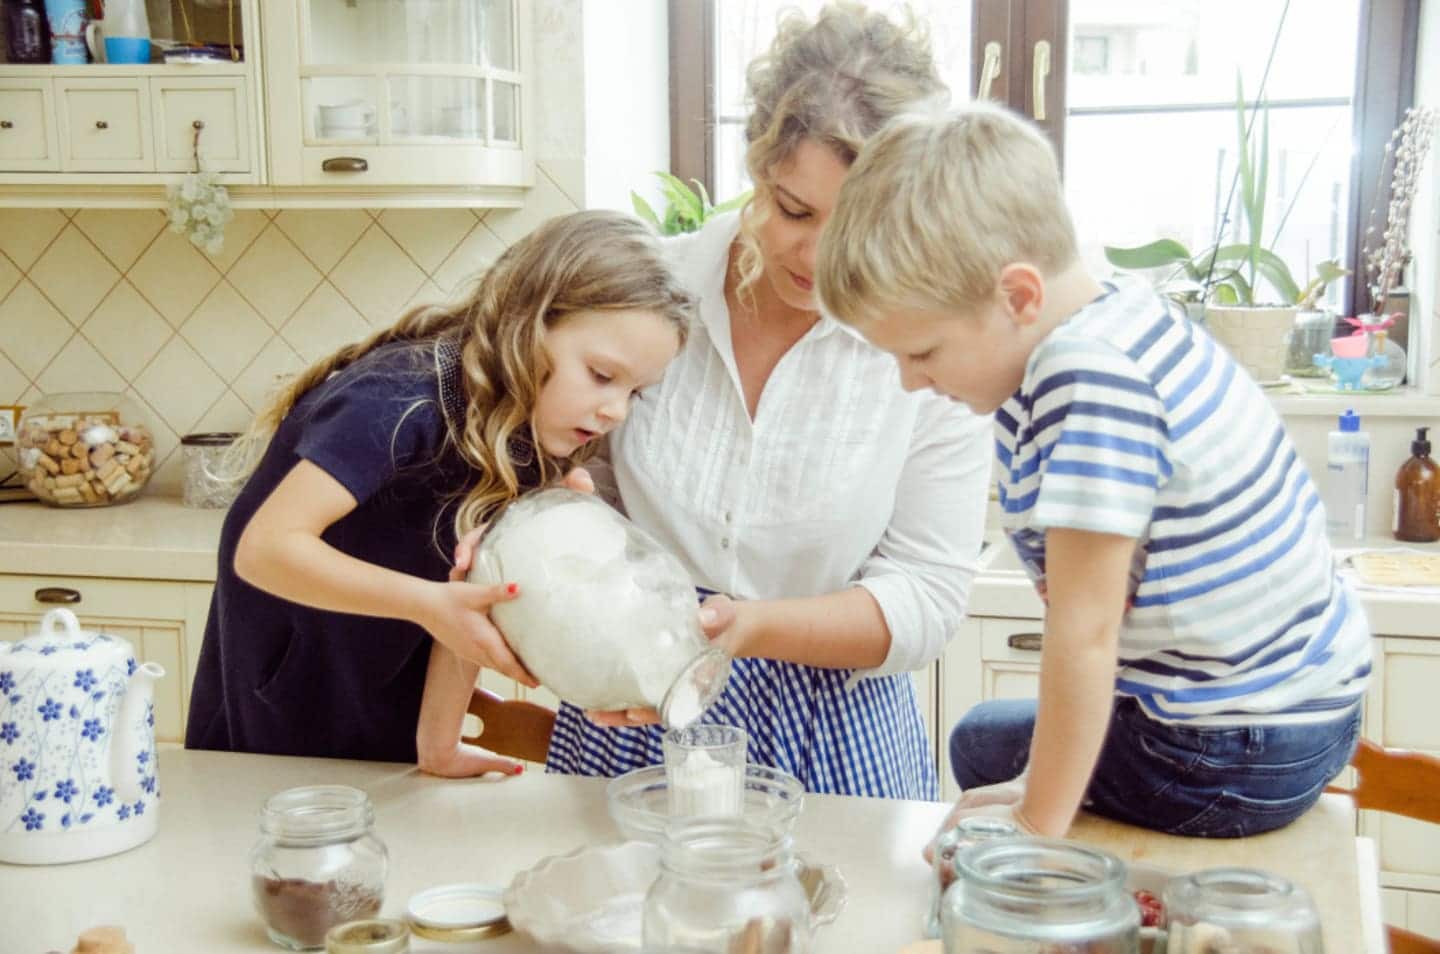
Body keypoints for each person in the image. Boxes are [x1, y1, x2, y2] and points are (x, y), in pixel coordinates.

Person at [814, 100, 1371, 838]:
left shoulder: (1091, 379)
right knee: (996, 738)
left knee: (982, 745)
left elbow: (1084, 632)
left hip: (1233, 751)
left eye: (921, 353)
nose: (911, 383)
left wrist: (1034, 824)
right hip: (1301, 714)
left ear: (1018, 296)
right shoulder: (1124, 315)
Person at [540, 3, 994, 800]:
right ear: (757, 168)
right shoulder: (649, 297)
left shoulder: (935, 350)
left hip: (837, 730)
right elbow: (563, 474)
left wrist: (748, 630)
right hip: (637, 706)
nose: (818, 255)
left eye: (860, 221)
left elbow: (927, 594)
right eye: (794, 210)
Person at [184, 210, 693, 777]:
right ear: (530, 321)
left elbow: (466, 600)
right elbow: (264, 550)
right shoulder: (398, 401)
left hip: (382, 711)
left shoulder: (526, 433)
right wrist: (428, 605)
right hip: (278, 718)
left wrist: (439, 744)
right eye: (601, 375)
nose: (614, 410)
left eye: (636, 393)